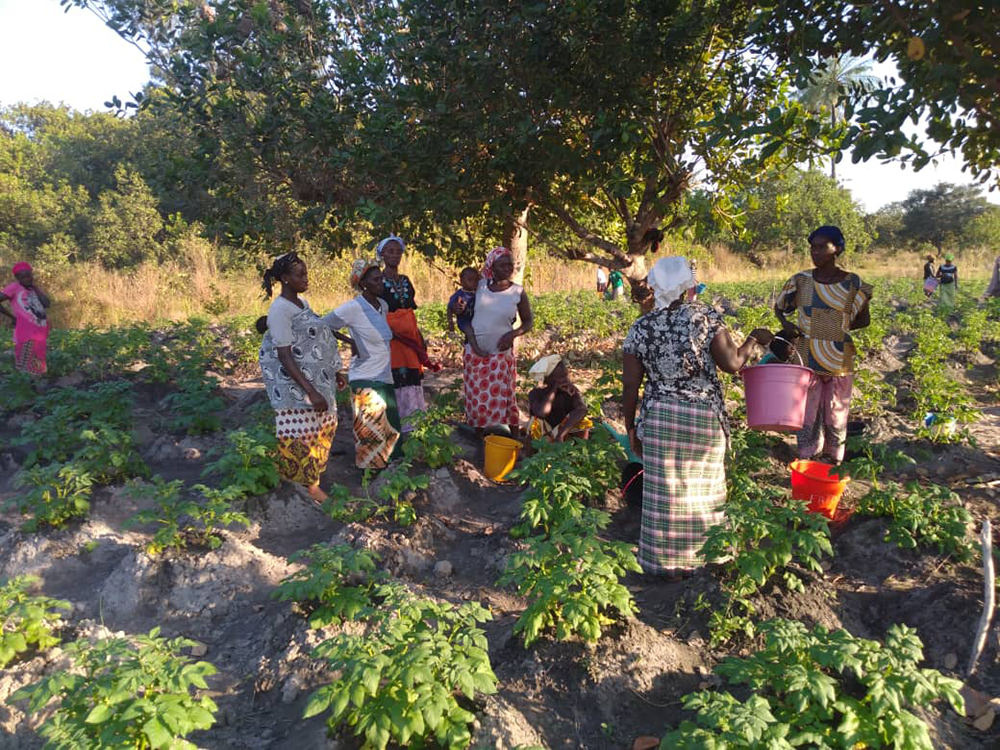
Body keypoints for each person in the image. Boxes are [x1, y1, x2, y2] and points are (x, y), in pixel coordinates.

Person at [623, 256, 772, 579]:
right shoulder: (704, 317)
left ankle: (665, 567)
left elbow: (631, 384)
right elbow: (733, 364)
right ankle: (707, 563)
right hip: (701, 415)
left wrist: (630, 427)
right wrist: (754, 339)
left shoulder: (641, 327)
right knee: (705, 493)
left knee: (665, 496)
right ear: (687, 284)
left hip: (660, 417)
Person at [775, 225, 872, 465]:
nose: (815, 253)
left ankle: (832, 464)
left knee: (836, 414)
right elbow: (780, 307)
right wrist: (785, 325)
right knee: (807, 414)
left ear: (837, 249)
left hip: (839, 358)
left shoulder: (853, 282)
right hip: (806, 356)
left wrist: (834, 328)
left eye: (821, 247)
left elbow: (864, 320)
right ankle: (807, 461)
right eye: (812, 248)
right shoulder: (800, 280)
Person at [256, 253, 347, 503]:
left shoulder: (301, 302)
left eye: (306, 273)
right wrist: (311, 392)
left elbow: (315, 336)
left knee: (324, 424)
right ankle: (305, 488)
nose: (305, 279)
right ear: (285, 279)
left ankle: (309, 478)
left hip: (316, 378)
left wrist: (334, 370)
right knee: (299, 431)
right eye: (300, 275)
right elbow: (284, 355)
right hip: (293, 385)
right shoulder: (280, 310)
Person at [323, 259, 402, 470]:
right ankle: (370, 479)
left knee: (389, 431)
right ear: (363, 283)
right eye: (376, 280)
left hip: (384, 376)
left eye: (382, 279)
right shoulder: (353, 307)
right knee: (371, 433)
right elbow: (323, 325)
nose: (381, 283)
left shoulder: (382, 306)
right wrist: (351, 341)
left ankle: (389, 475)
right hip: (365, 378)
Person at [465, 246, 533, 435]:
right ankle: (479, 435)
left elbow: (528, 322)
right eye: (502, 265)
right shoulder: (479, 287)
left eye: (509, 265)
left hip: (501, 355)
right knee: (478, 395)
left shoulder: (517, 292)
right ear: (491, 267)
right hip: (476, 354)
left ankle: (514, 435)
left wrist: (513, 334)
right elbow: (461, 305)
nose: (507, 268)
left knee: (505, 395)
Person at [375, 235, 436, 433]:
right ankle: (393, 427)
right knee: (395, 377)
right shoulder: (376, 282)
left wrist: (419, 337)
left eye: (398, 251)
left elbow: (410, 312)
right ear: (382, 254)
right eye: (390, 251)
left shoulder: (406, 281)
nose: (394, 255)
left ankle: (412, 425)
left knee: (411, 376)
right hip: (391, 338)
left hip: (409, 339)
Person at [526, 354, 593, 442]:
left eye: (566, 375)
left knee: (584, 421)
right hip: (544, 436)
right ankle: (533, 453)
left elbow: (582, 409)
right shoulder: (535, 393)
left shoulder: (570, 391)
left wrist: (561, 434)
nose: (566, 380)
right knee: (535, 422)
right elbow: (542, 413)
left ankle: (580, 451)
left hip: (564, 432)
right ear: (548, 380)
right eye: (561, 377)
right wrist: (554, 389)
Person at [1, 262, 51, 375]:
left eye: (29, 275)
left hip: (40, 330)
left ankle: (37, 385)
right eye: (23, 276)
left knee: (38, 359)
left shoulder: (33, 288)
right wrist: (11, 316)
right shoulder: (13, 287)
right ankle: (25, 387)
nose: (27, 278)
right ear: (17, 278)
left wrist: (36, 289)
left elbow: (47, 304)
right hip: (26, 331)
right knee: (25, 361)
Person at [447, 267, 479, 343]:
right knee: (470, 331)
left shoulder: (478, 293)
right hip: (464, 320)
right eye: (470, 280)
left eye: (476, 280)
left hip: (475, 320)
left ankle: (468, 345)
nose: (473, 283)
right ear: (461, 281)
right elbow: (449, 308)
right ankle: (476, 349)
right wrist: (451, 323)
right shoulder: (460, 294)